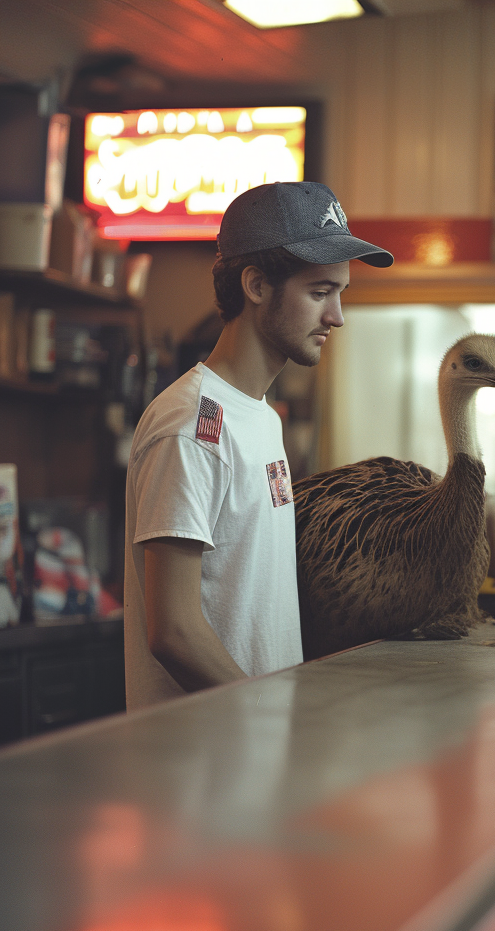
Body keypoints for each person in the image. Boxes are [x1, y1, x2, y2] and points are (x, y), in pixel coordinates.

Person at [124, 182, 394, 709]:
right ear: (256, 285)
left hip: (253, 760)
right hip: (198, 772)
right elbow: (173, 632)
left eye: (339, 294)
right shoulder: (190, 424)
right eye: (320, 293)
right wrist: (268, 713)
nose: (337, 316)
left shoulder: (262, 418)